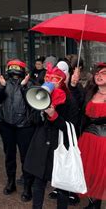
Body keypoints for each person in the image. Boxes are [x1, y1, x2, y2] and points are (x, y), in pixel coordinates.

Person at [24, 63, 79, 209]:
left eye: (54, 79)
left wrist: (54, 116)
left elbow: (72, 128)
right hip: (42, 145)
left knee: (61, 186)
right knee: (38, 183)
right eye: (48, 79)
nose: (50, 82)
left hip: (59, 147)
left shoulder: (70, 101)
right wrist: (41, 112)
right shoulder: (40, 96)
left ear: (61, 81)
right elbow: (33, 120)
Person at [0, 59, 35, 201]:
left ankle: (28, 187)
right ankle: (11, 182)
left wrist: (24, 87)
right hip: (6, 125)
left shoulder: (30, 84)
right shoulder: (5, 83)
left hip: (25, 126)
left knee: (26, 157)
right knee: (9, 155)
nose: (14, 73)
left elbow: (32, 103)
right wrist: (1, 86)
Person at [77, 62, 106, 209]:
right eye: (97, 73)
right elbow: (75, 105)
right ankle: (92, 202)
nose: (99, 76)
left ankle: (96, 204)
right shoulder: (89, 92)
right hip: (87, 140)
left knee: (102, 175)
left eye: (104, 73)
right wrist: (73, 83)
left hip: (103, 143)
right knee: (89, 172)